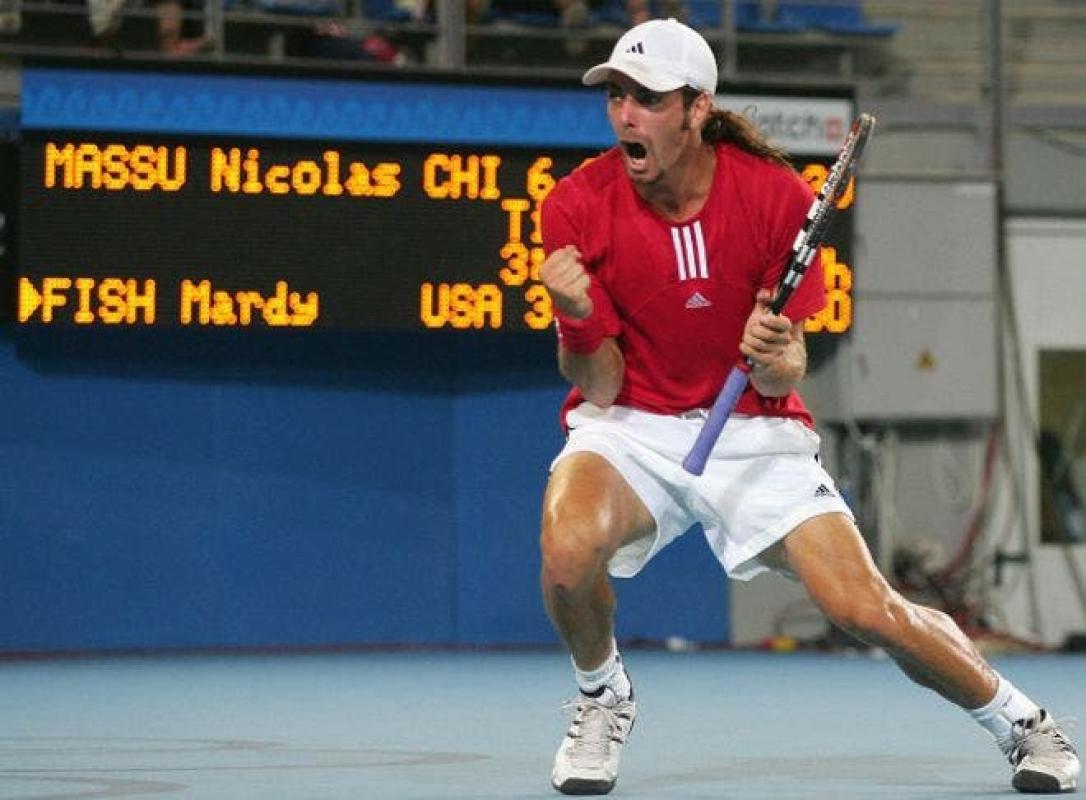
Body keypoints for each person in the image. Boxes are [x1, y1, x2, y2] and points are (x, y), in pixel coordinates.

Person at [537, 16, 1080, 797]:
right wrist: (578, 316)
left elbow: (785, 369)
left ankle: (1023, 722)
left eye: (649, 99)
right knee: (566, 554)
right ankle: (602, 696)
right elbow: (598, 387)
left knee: (865, 609)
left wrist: (772, 354)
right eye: (617, 96)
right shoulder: (575, 204)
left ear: (696, 109)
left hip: (756, 433)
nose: (626, 114)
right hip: (633, 426)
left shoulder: (772, 195)